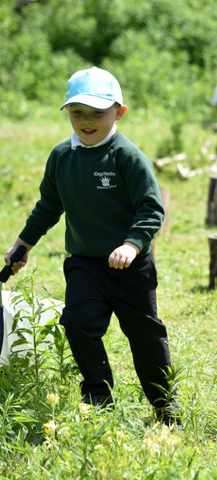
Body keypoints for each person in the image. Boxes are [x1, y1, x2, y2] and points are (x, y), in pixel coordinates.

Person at [2, 67, 180, 426]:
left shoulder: (127, 157)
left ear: (119, 112)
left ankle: (165, 407)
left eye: (97, 113)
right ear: (67, 112)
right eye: (78, 112)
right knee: (79, 324)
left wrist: (132, 244)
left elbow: (151, 209)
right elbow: (49, 206)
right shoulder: (61, 157)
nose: (87, 121)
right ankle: (99, 399)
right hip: (85, 263)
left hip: (130, 268)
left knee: (145, 338)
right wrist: (23, 243)